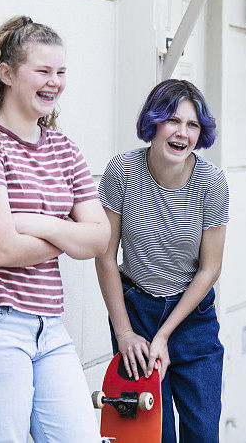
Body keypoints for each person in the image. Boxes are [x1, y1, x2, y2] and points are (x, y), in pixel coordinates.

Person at [0, 15, 110, 441]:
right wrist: (69, 235)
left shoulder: (65, 149)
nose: (55, 82)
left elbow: (101, 238)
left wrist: (35, 223)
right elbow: (2, 251)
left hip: (47, 327)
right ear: (7, 73)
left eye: (61, 72)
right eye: (43, 71)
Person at [95, 79, 227, 443]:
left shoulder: (211, 182)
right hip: (135, 311)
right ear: (153, 123)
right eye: (173, 120)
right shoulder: (122, 171)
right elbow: (105, 257)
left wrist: (165, 334)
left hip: (191, 316)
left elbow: (209, 268)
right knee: (150, 435)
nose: (182, 132)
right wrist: (124, 332)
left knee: (202, 434)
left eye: (193, 125)